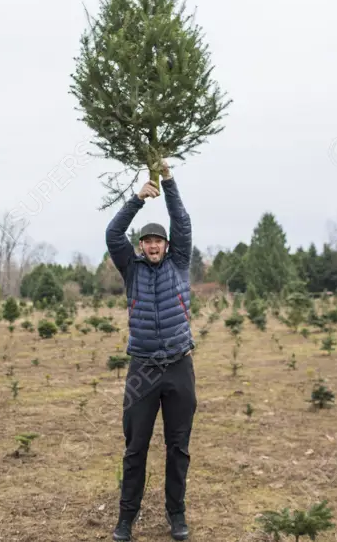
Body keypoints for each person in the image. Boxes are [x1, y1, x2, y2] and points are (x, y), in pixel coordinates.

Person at [105, 159, 196, 542]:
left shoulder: (179, 262)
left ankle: (176, 514)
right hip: (142, 370)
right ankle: (127, 518)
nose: (154, 245)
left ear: (167, 246)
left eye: (158, 240)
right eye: (147, 241)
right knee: (135, 447)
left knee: (178, 447)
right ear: (141, 246)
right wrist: (137, 199)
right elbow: (112, 234)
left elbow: (183, 222)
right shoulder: (132, 268)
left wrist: (169, 182)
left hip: (178, 367)